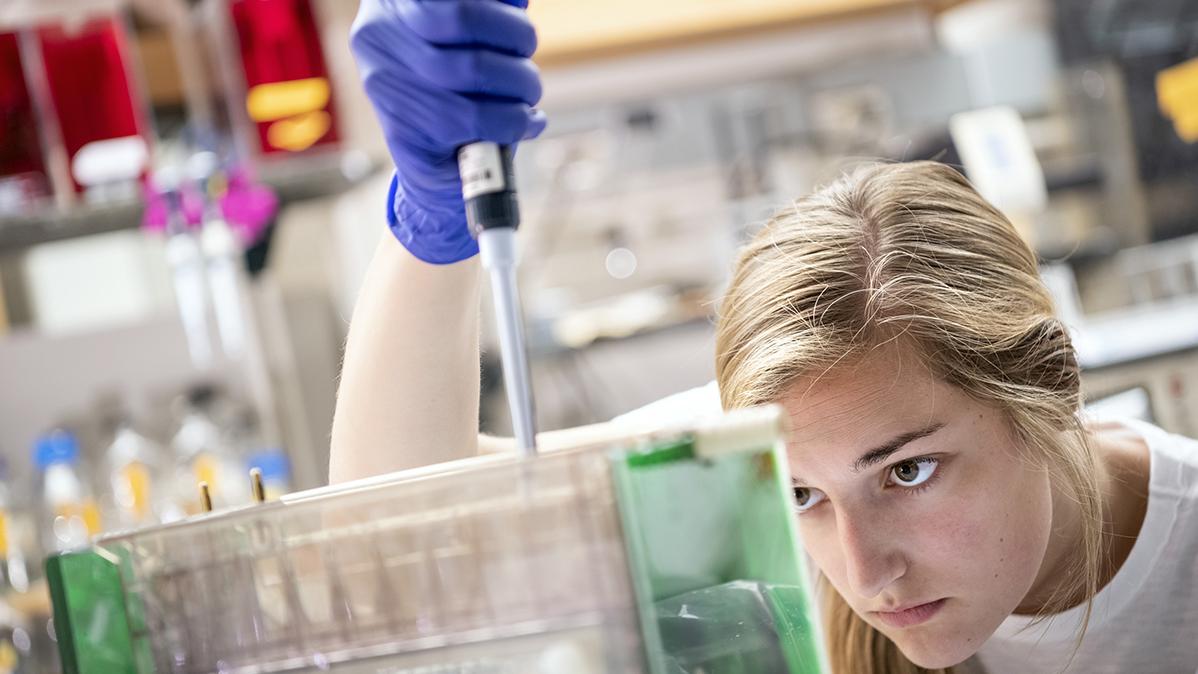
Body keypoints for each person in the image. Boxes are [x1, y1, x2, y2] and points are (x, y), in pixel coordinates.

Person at [332, 2, 1198, 673]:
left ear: (1053, 383)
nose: (863, 575)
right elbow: (393, 522)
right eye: (799, 497)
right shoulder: (793, 439)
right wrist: (429, 224)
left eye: (909, 472)